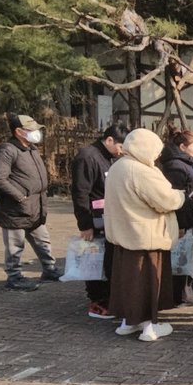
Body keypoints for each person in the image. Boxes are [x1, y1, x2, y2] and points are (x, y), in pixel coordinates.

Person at [102, 128, 186, 342]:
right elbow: (166, 200)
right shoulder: (141, 170)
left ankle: (128, 322)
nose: (157, 155)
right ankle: (150, 327)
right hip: (146, 235)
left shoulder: (118, 166)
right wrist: (180, 195)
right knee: (147, 282)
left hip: (124, 235)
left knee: (127, 281)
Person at [0, 113, 60, 291]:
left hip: (35, 206)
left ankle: (50, 270)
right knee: (15, 245)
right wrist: (20, 197)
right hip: (15, 209)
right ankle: (14, 278)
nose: (36, 133)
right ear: (18, 131)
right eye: (31, 129)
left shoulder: (31, 148)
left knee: (42, 240)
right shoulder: (7, 150)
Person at [70, 122, 128, 317]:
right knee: (94, 260)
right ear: (109, 140)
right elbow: (80, 193)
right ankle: (97, 301)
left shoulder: (108, 157)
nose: (121, 151)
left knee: (107, 260)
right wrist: (85, 225)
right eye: (120, 146)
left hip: (106, 217)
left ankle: (108, 297)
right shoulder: (88, 157)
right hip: (94, 219)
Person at [158, 129, 193, 307]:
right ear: (183, 147)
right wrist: (181, 223)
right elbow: (177, 197)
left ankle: (186, 290)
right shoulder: (176, 166)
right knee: (181, 255)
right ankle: (180, 295)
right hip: (182, 217)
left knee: (187, 254)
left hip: (189, 215)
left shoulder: (184, 163)